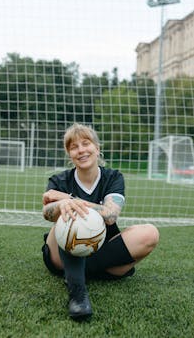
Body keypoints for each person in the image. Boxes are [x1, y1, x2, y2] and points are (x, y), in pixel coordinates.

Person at [42, 123, 159, 321]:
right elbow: (47, 213)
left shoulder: (113, 177)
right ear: (69, 154)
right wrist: (64, 205)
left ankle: (76, 272)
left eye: (86, 144)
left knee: (150, 233)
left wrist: (72, 200)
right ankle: (77, 293)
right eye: (74, 147)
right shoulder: (59, 180)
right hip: (60, 255)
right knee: (71, 216)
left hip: (102, 250)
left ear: (97, 148)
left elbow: (110, 216)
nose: (81, 150)